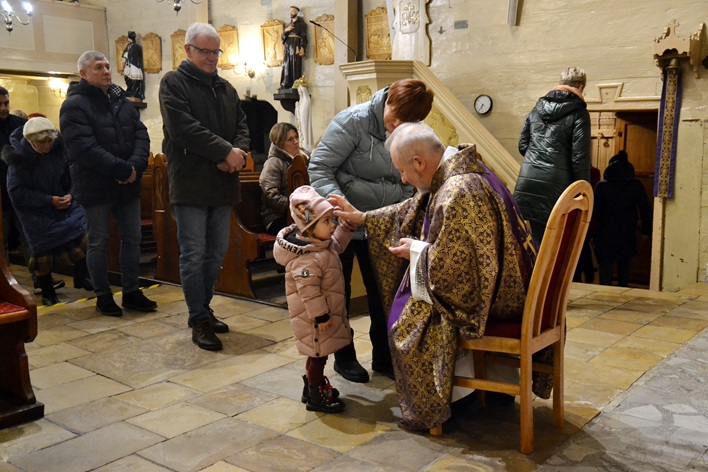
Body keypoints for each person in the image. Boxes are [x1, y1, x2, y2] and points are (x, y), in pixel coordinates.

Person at [331, 122, 539, 431]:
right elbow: (415, 208)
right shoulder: (465, 171)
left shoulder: (458, 191)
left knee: (407, 328)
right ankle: (482, 387)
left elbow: (460, 277)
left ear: (419, 162)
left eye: (403, 170)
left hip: (497, 301)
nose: (403, 179)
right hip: (509, 286)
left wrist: (417, 251)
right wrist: (364, 218)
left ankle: (453, 399)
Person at [309, 78, 434, 383]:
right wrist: (342, 209)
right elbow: (320, 167)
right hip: (343, 223)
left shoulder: (411, 130)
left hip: (382, 223)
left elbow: (409, 179)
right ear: (387, 99)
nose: (397, 126)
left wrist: (399, 209)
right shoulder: (353, 121)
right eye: (395, 117)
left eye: (407, 122)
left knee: (384, 292)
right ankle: (345, 357)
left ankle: (384, 356)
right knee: (338, 292)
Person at [159, 22, 250, 351]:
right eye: (204, 51)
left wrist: (237, 154)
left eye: (215, 51)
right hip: (191, 185)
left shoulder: (226, 88)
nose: (211, 57)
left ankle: (203, 307)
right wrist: (224, 152)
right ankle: (197, 317)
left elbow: (242, 126)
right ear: (188, 50)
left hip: (223, 184)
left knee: (216, 253)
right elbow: (184, 128)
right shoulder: (173, 83)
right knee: (194, 254)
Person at [60, 50, 157, 317]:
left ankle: (131, 291)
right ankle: (103, 295)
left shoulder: (121, 101)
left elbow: (141, 135)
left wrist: (135, 166)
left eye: (106, 66)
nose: (106, 71)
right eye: (98, 67)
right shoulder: (74, 105)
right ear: (83, 73)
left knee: (133, 239)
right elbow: (84, 148)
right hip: (96, 186)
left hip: (128, 184)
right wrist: (122, 169)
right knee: (98, 242)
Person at [273, 185, 352, 413]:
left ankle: (311, 388)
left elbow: (338, 244)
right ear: (309, 228)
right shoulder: (306, 258)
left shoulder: (321, 246)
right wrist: (321, 315)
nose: (332, 225)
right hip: (314, 321)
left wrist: (347, 227)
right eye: (326, 221)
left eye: (332, 220)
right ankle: (316, 396)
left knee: (318, 354)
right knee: (318, 355)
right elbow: (308, 291)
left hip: (321, 316)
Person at [2, 117, 93, 305]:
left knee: (83, 236)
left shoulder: (60, 150)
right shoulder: (19, 160)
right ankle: (47, 292)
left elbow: (73, 174)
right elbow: (17, 192)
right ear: (31, 142)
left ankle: (81, 275)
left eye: (49, 141)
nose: (46, 146)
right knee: (42, 253)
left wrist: (71, 195)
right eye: (41, 143)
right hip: (36, 212)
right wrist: (49, 200)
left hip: (64, 204)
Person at [513, 66, 591, 246]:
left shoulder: (536, 109)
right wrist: (584, 192)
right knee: (553, 244)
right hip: (556, 186)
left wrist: (537, 158)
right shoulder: (579, 113)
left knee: (531, 239)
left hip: (528, 181)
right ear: (580, 87)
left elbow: (522, 145)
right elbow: (579, 158)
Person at [0, 88, 63, 295]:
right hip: (2, 193)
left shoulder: (20, 125)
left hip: (25, 192)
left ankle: (41, 280)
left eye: (6, 103)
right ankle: (5, 284)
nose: (3, 108)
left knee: (32, 239)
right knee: (2, 240)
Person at [593, 150, 652, 287]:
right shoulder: (635, 185)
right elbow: (645, 208)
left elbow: (595, 211)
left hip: (605, 232)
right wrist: (646, 230)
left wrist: (592, 231)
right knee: (625, 268)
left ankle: (603, 294)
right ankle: (623, 293)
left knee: (605, 268)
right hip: (627, 231)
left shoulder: (602, 185)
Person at [260, 123, 310, 235]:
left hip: (298, 213)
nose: (296, 142)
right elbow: (271, 195)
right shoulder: (273, 163)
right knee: (314, 229)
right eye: (290, 139)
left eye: (296, 137)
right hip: (276, 217)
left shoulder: (303, 159)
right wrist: (296, 207)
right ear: (280, 143)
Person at [280, 6, 308, 89]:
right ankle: (286, 83)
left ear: (297, 13)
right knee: (286, 65)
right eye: (290, 11)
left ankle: (295, 83)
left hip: (295, 46)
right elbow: (282, 39)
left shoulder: (302, 25)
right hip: (287, 47)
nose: (291, 13)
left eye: (293, 11)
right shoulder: (288, 25)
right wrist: (286, 31)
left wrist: (302, 47)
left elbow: (303, 37)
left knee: (295, 65)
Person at [122, 31, 145, 102]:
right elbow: (125, 55)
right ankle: (130, 92)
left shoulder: (135, 46)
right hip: (129, 65)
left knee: (135, 80)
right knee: (128, 79)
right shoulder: (128, 46)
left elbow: (134, 56)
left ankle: (134, 93)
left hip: (134, 65)